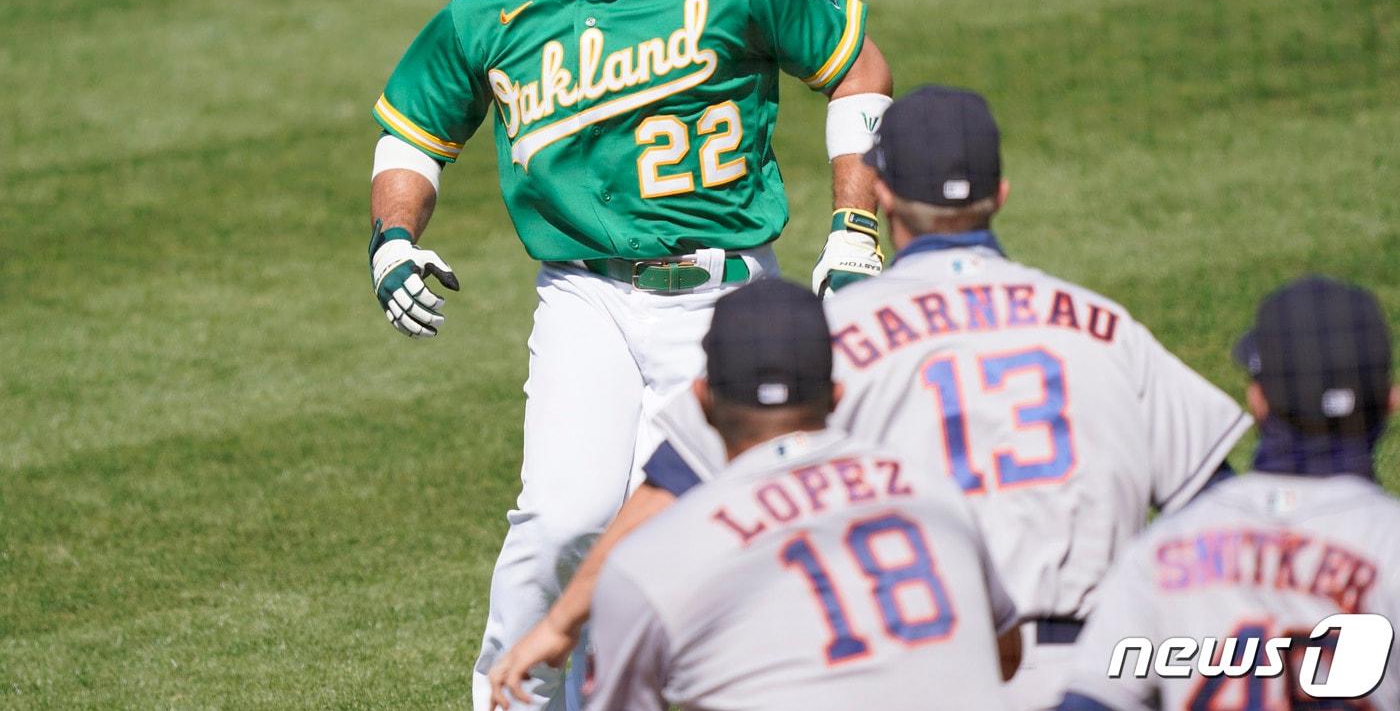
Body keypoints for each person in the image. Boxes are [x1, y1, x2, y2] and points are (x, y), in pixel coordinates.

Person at [364, 0, 893, 709]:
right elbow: (411, 136)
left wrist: (854, 229)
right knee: (562, 517)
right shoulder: (489, 11)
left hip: (730, 297)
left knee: (719, 536)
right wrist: (393, 241)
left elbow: (858, 69)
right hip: (586, 297)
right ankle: (511, 695)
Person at [489, 85, 1250, 711]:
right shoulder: (1107, 328)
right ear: (1001, 194)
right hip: (1104, 674)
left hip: (930, 669)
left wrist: (559, 624)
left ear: (881, 193)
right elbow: (1220, 508)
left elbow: (670, 486)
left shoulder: (828, 338)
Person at [584, 279, 1019, 711]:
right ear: (837, 395)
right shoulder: (937, 497)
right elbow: (1006, 657)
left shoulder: (650, 562)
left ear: (702, 401)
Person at [1056, 275, 1399, 711]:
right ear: (1390, 401)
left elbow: (1092, 700)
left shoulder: (1164, 548)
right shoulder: (1389, 542)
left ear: (1258, 400)